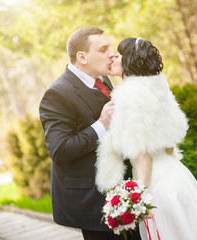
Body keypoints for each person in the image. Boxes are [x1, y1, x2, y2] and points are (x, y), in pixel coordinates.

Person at [95, 38, 197, 240]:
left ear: (129, 61)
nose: (113, 57)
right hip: (177, 175)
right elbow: (169, 147)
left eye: (118, 55)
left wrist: (140, 199)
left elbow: (144, 153)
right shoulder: (156, 88)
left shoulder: (130, 95)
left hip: (158, 186)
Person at [39, 27, 141, 240]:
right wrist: (101, 124)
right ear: (82, 57)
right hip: (93, 200)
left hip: (121, 190)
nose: (112, 53)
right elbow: (60, 150)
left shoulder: (103, 78)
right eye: (104, 49)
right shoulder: (57, 94)